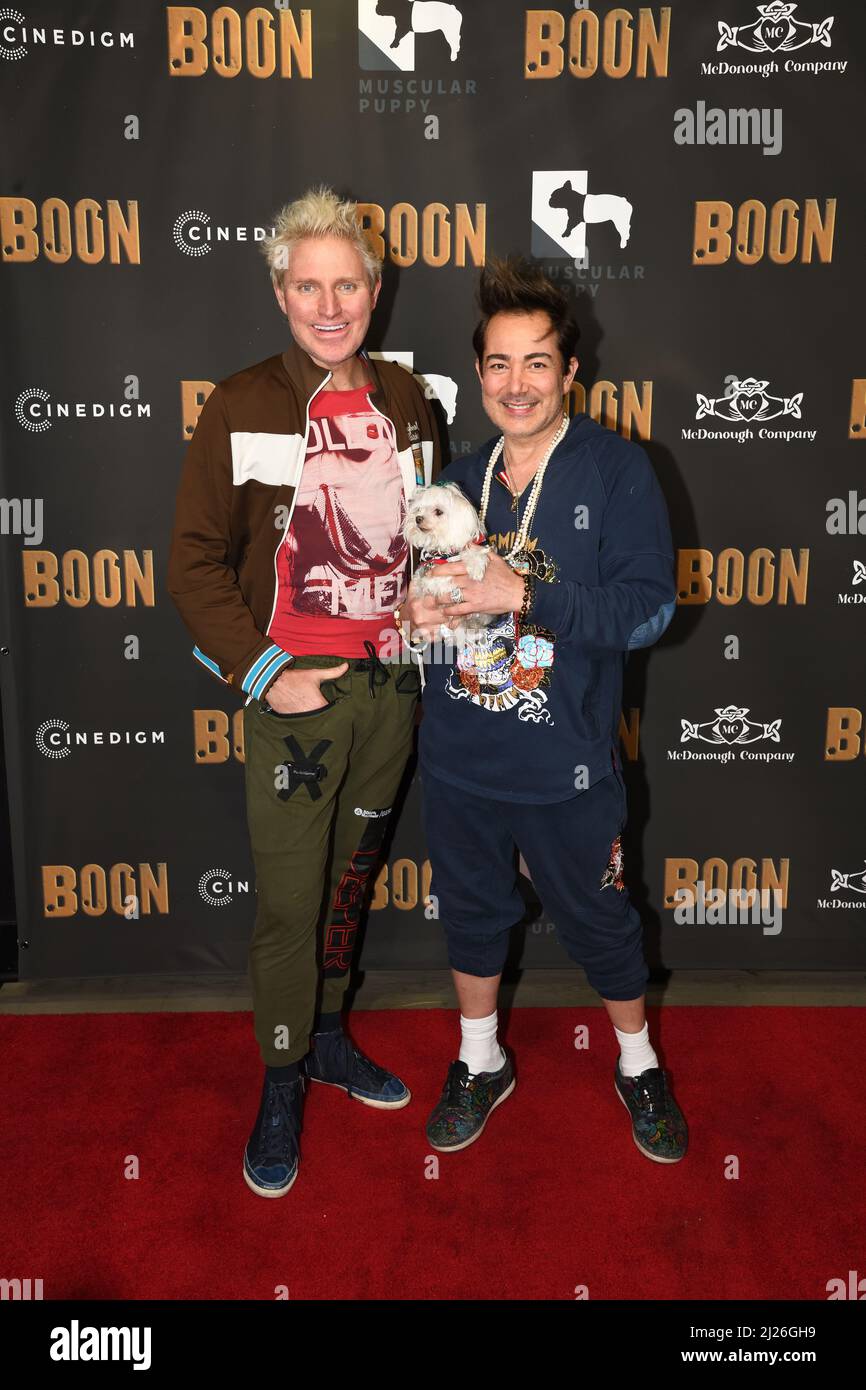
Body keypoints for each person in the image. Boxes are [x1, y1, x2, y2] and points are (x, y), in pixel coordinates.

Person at [168, 187, 442, 1198]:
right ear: (280, 292)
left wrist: (431, 607)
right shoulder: (240, 401)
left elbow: (424, 534)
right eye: (306, 287)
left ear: (375, 289)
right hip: (296, 700)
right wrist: (264, 673)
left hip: (390, 691)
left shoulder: (408, 398)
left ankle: (327, 1037)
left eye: (347, 285)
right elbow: (192, 561)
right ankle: (281, 1070)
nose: (329, 306)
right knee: (288, 901)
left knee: (349, 882)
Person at [402, 258, 687, 1164]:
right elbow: (435, 606)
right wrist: (422, 616)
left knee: (600, 919)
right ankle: (480, 1060)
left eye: (536, 364)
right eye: (497, 364)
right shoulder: (458, 472)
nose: (515, 384)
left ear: (570, 372)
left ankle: (638, 1064)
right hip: (458, 755)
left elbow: (648, 610)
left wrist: (524, 596)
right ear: (478, 374)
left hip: (565, 762)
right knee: (473, 914)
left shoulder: (616, 469)